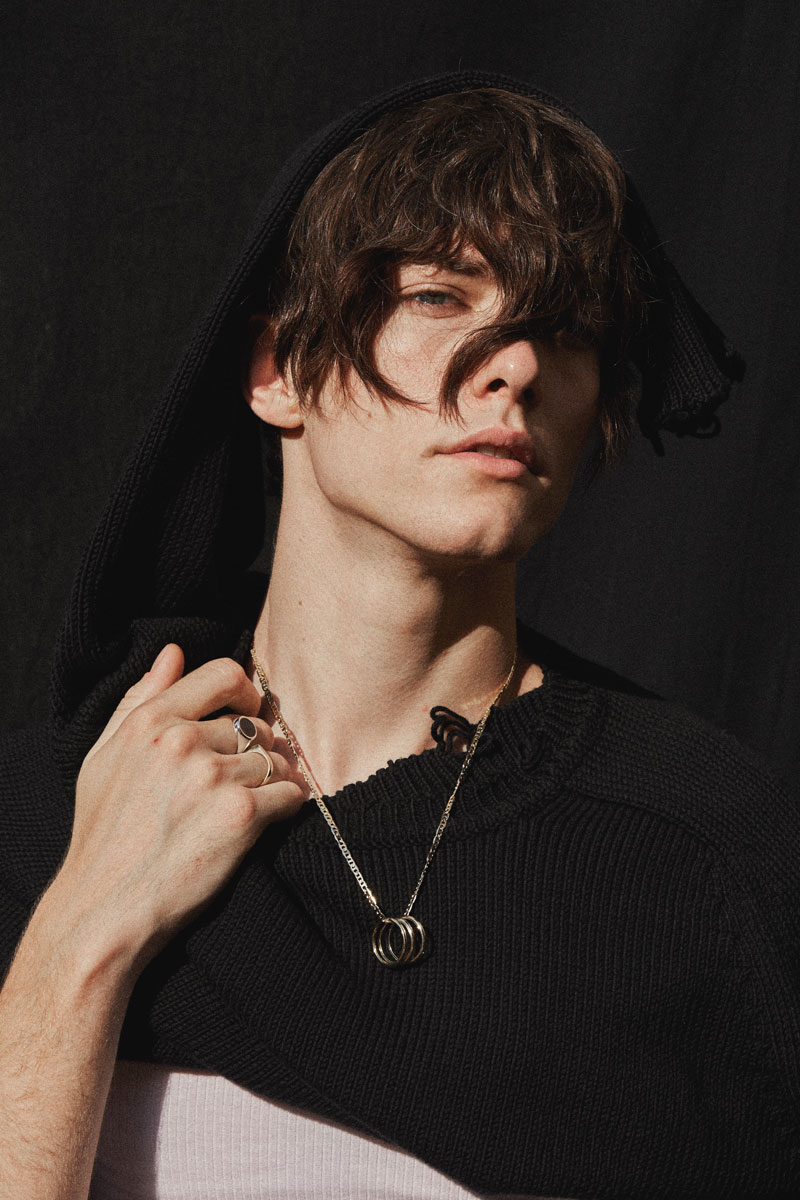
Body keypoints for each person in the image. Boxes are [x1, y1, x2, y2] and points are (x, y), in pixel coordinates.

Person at [1, 72, 798, 1200]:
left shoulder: (705, 853)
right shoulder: (41, 824)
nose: (516, 363)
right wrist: (77, 943)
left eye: (568, 329)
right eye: (438, 294)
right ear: (279, 370)